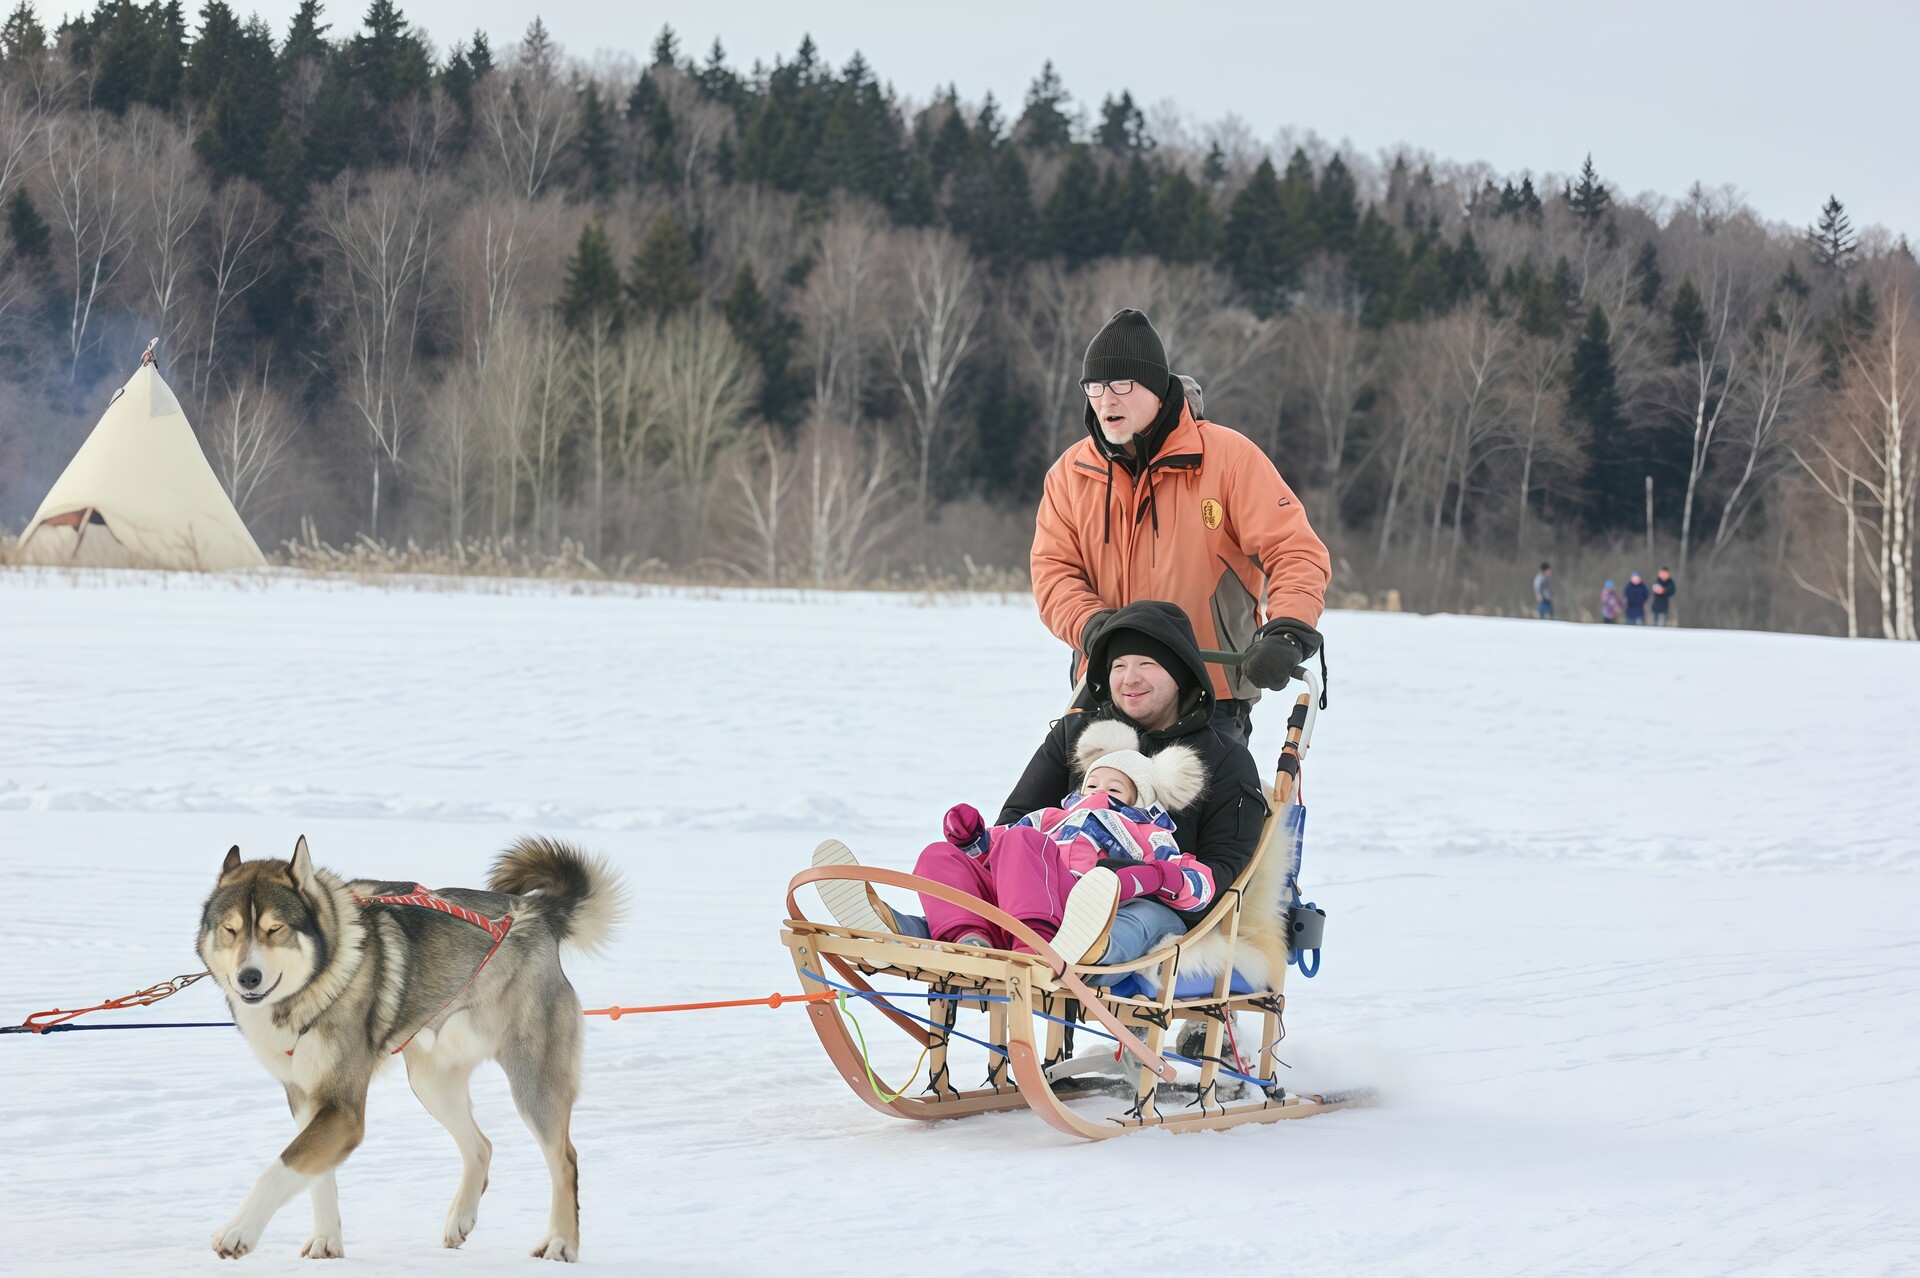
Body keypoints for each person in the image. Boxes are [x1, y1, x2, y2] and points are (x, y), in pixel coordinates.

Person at [817, 601, 1268, 972]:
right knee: (951, 856)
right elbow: (1015, 820)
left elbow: (1225, 871)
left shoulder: (1224, 760)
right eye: (1119, 665)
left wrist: (1149, 876)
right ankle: (906, 932)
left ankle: (1084, 948)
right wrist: (979, 844)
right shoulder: (1077, 736)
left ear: (1181, 673)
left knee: (1136, 918)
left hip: (1146, 897)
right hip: (1047, 883)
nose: (1129, 679)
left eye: (1147, 665)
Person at [1030, 308, 1331, 745]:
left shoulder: (1229, 458)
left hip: (1210, 694)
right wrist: (1094, 626)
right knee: (1095, 813)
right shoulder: (1069, 474)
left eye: (1120, 386)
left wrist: (1287, 630)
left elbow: (1295, 550)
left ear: (1153, 387)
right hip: (1109, 692)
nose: (1105, 400)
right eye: (1094, 387)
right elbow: (1053, 573)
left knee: (1201, 812)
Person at [912, 721, 1208, 955]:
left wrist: (1160, 876)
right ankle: (968, 938)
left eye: (1115, 789)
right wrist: (972, 839)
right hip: (1010, 899)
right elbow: (995, 854)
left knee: (1021, 839)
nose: (1099, 792)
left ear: (1139, 800)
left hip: (1072, 904)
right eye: (1092, 784)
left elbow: (1198, 886)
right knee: (938, 855)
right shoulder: (1050, 817)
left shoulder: (1145, 830)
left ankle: (1033, 942)